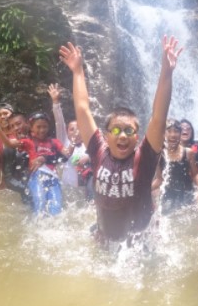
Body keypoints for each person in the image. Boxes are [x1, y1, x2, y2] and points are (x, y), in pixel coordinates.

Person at [58, 35, 183, 244]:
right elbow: (82, 108)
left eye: (128, 131)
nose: (122, 135)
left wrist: (167, 71)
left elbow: (159, 117)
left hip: (137, 243)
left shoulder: (144, 157)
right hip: (105, 236)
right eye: (116, 131)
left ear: (137, 137)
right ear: (106, 135)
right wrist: (78, 71)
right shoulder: (98, 149)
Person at [0, 111, 70, 216]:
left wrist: (46, 157)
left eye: (18, 124)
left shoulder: (52, 141)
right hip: (31, 180)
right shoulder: (22, 144)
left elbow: (65, 156)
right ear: (32, 128)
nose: (41, 130)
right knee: (38, 205)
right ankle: (38, 225)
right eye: (12, 126)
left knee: (56, 208)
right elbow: (8, 144)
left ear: (27, 124)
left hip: (51, 178)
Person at [48, 83, 94, 201]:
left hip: (84, 189)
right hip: (68, 190)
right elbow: (59, 122)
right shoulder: (64, 143)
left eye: (79, 128)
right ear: (67, 132)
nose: (75, 131)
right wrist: (56, 102)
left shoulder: (88, 145)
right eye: (71, 129)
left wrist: (88, 157)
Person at [152, 119, 198, 213]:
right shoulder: (159, 155)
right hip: (168, 193)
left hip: (186, 192)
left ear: (180, 133)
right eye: (169, 131)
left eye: (176, 131)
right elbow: (159, 179)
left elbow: (195, 174)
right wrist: (145, 190)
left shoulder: (188, 152)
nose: (173, 135)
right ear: (164, 134)